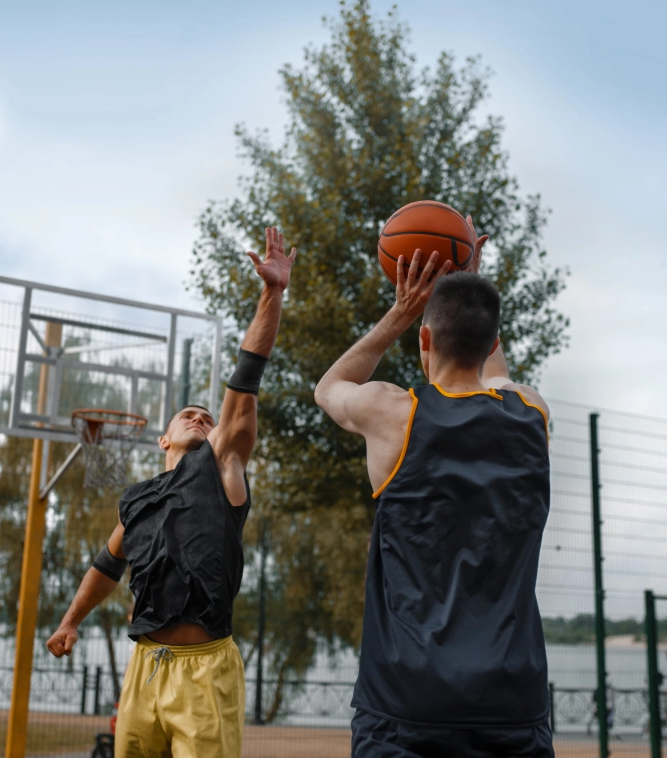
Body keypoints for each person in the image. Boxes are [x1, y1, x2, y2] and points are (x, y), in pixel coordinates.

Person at [47, 227, 297, 758]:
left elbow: (245, 381)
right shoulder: (137, 500)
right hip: (144, 669)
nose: (200, 417)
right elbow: (105, 566)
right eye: (188, 414)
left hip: (204, 672)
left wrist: (272, 293)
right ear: (163, 437)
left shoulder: (224, 465)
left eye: (208, 418)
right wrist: (70, 622)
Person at [315, 219, 553, 757]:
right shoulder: (531, 413)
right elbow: (497, 378)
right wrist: (469, 278)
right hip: (511, 702)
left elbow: (329, 387)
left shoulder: (392, 414)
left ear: (424, 338)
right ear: (493, 340)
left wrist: (403, 309)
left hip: (405, 703)